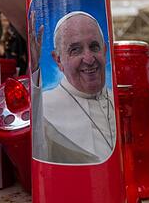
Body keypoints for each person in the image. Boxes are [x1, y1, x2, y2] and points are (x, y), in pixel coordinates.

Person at [34, 11, 116, 164]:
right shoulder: (43, 109)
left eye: (94, 47)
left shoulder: (118, 100)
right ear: (58, 60)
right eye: (75, 50)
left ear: (104, 51)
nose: (89, 59)